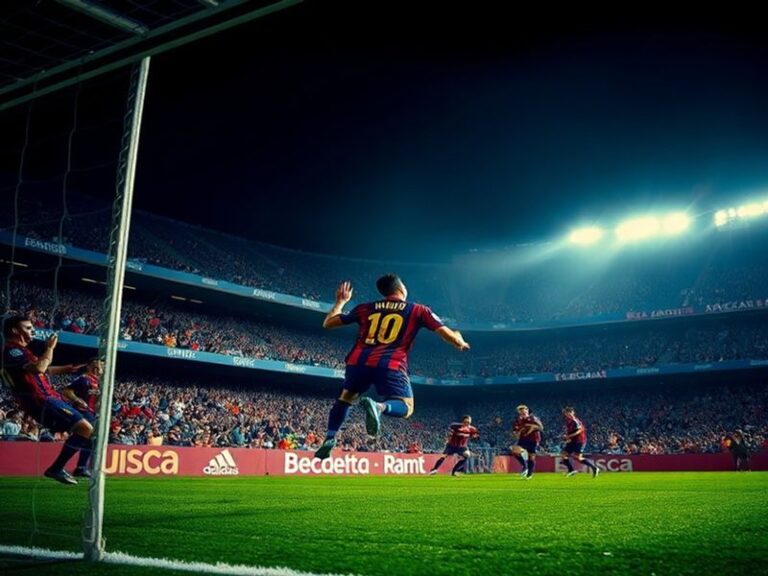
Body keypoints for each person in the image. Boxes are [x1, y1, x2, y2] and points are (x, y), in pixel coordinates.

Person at [314, 275, 470, 460]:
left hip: (357, 363)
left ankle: (330, 437)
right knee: (407, 406)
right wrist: (459, 340)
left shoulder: (365, 308)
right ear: (401, 288)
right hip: (390, 364)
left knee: (346, 397)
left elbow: (328, 323)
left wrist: (340, 302)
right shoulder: (417, 309)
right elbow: (446, 335)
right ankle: (380, 407)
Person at [1, 316, 91, 484]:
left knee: (86, 430)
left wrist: (67, 369)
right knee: (86, 429)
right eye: (27, 327)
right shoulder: (13, 351)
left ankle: (61, 468)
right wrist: (50, 348)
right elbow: (40, 367)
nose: (32, 330)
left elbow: (44, 369)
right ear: (15, 330)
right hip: (41, 400)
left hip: (46, 399)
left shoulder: (21, 351)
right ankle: (57, 469)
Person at [62, 357, 103, 477]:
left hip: (92, 413)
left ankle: (81, 467)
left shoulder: (98, 382)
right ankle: (64, 466)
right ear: (89, 366)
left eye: (100, 367)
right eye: (95, 367)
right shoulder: (83, 379)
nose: (98, 369)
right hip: (82, 411)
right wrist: (77, 399)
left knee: (90, 441)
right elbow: (66, 391)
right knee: (86, 438)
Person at [560, 407, 599, 478]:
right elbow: (569, 431)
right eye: (566, 413)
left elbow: (580, 430)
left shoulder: (575, 421)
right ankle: (571, 470)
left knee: (578, 457)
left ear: (572, 412)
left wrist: (569, 436)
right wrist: (568, 437)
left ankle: (594, 468)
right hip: (573, 441)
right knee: (563, 454)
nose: (567, 414)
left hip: (580, 440)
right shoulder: (568, 421)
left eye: (569, 412)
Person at [510, 404, 542, 479]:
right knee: (514, 451)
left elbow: (540, 427)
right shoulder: (518, 420)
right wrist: (516, 433)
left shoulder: (533, 418)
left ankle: (529, 474)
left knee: (531, 456)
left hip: (534, 439)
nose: (522, 414)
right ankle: (525, 466)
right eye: (520, 412)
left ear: (527, 411)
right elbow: (515, 430)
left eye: (524, 412)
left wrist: (532, 428)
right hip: (523, 439)